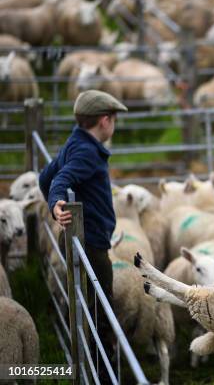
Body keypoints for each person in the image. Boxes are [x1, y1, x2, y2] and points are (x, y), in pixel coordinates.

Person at [39, 89, 127, 382]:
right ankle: (104, 374)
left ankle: (89, 363)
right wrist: (56, 205)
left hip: (83, 237)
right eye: (113, 119)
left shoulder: (75, 141)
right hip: (92, 243)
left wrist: (54, 202)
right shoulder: (88, 152)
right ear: (104, 120)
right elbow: (61, 179)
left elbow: (46, 177)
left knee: (88, 302)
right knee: (102, 309)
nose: (113, 125)